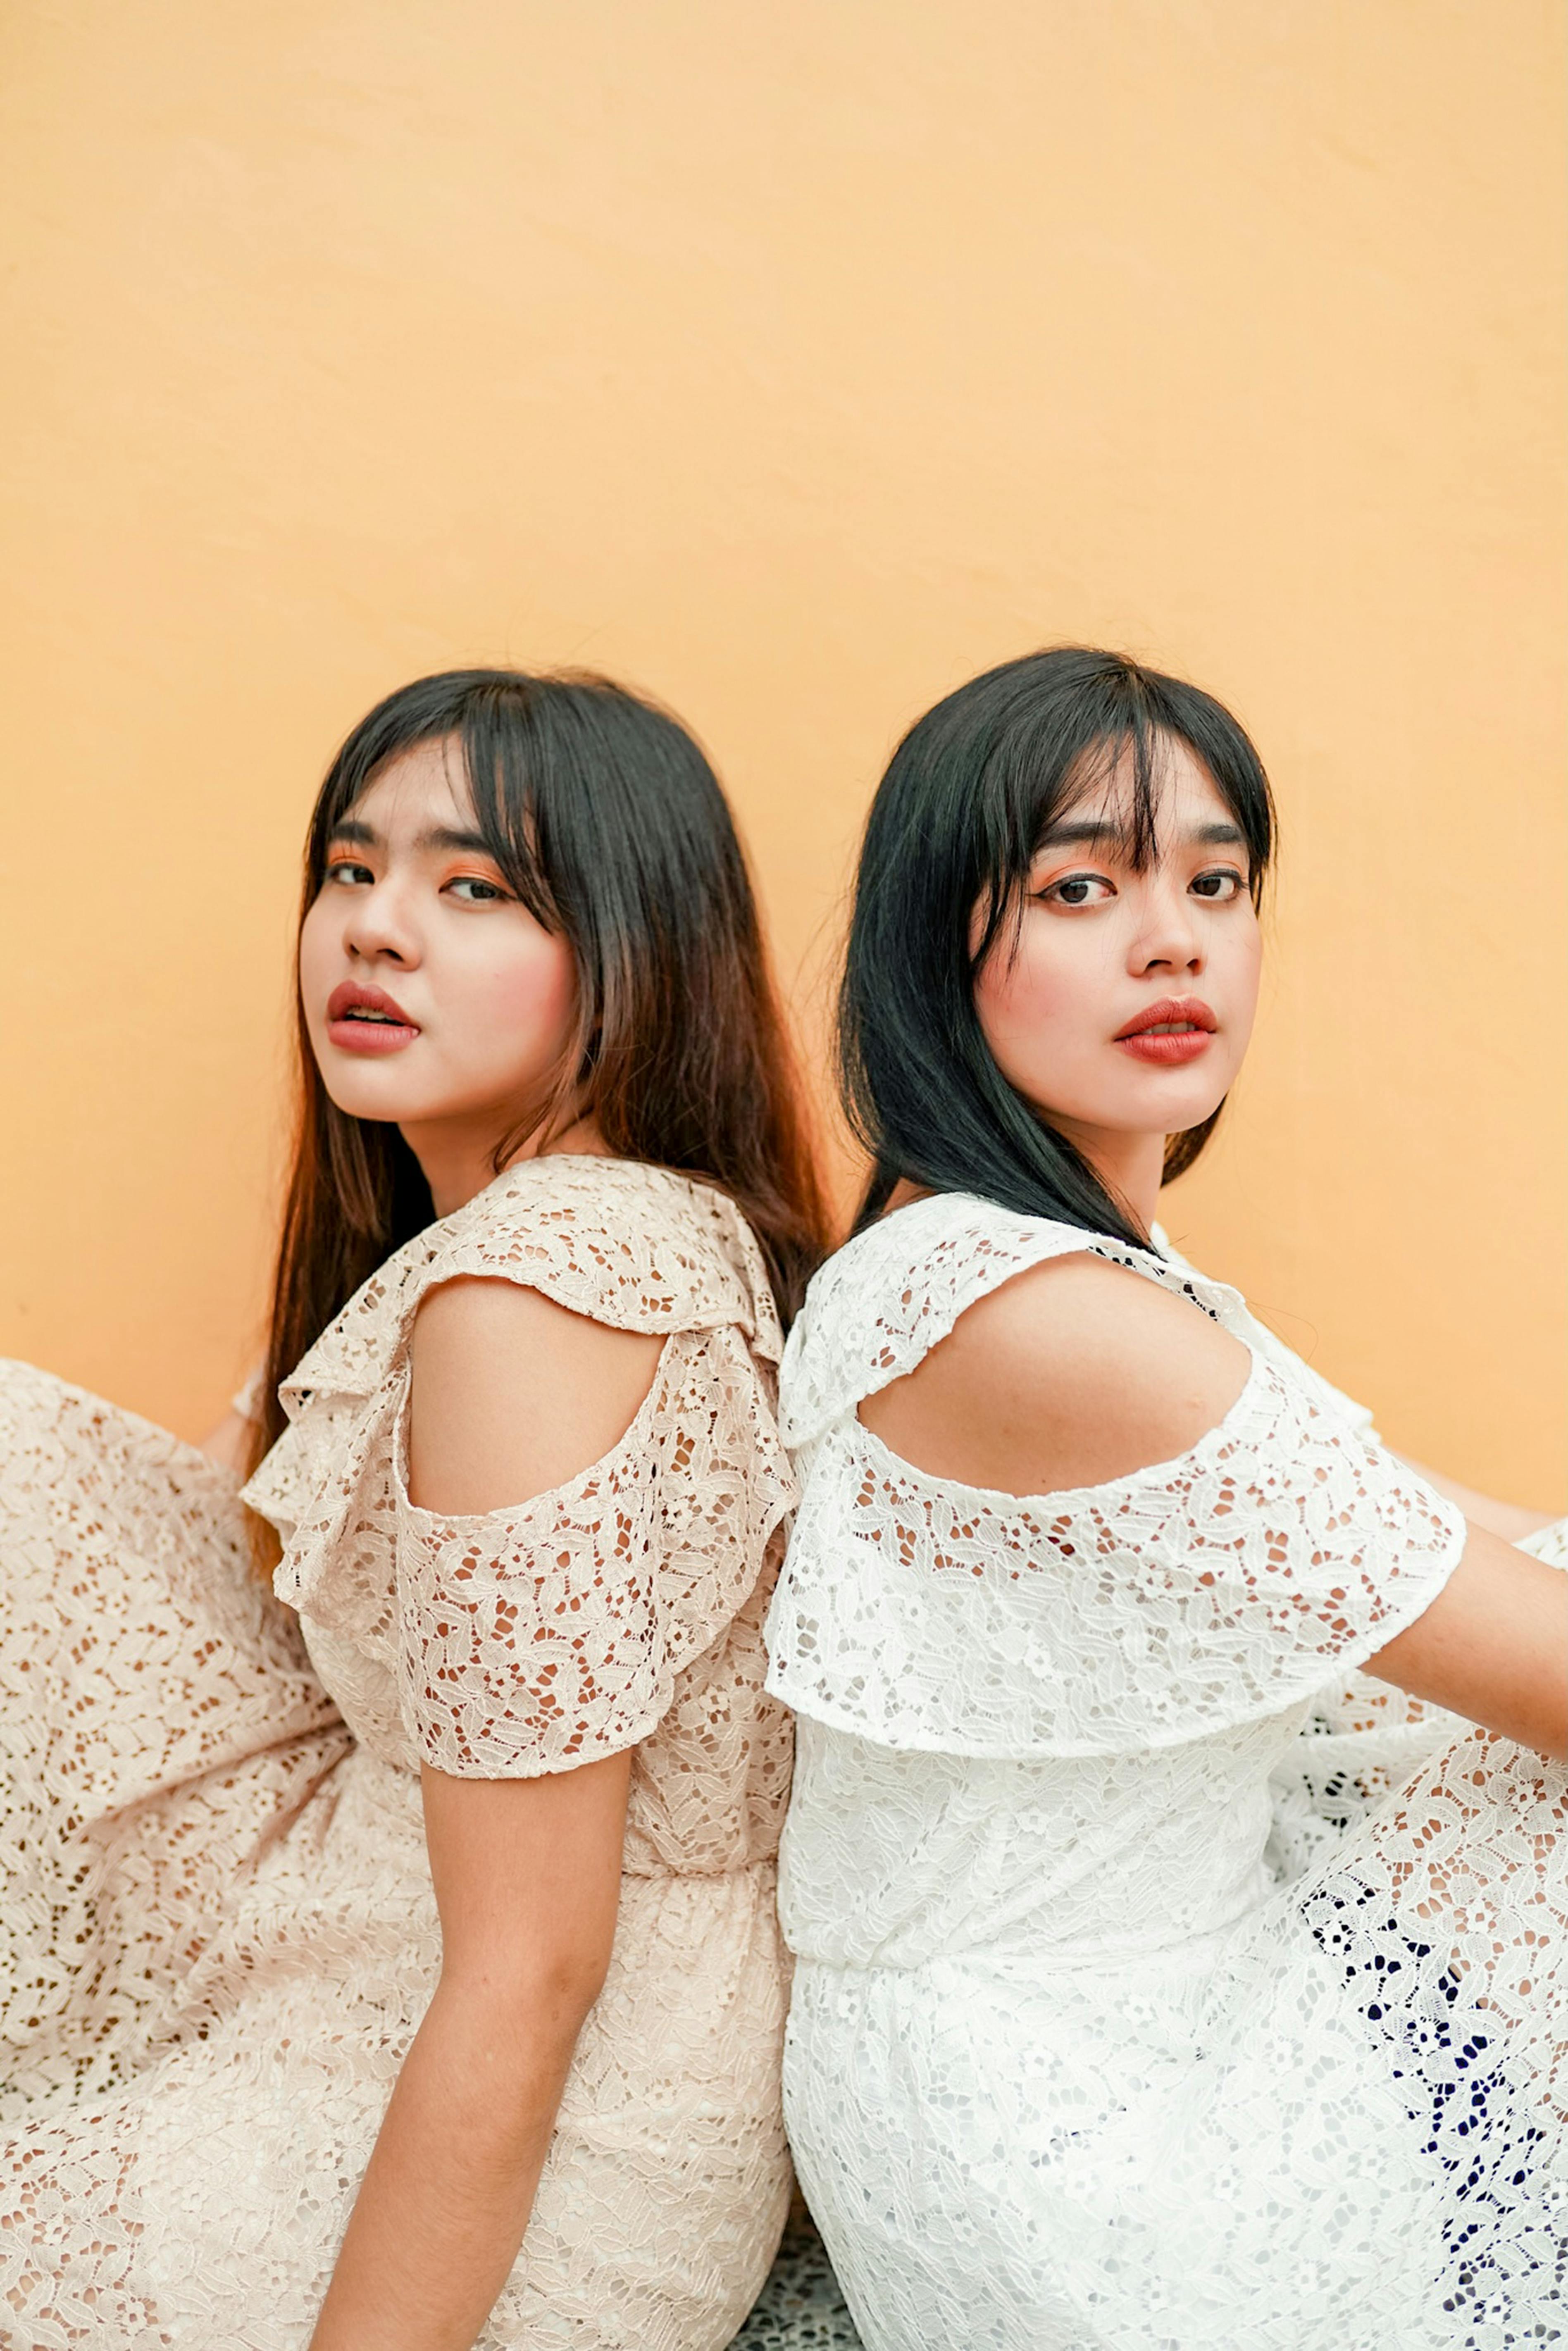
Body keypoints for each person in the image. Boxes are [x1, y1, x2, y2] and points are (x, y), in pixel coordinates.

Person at [2, 667, 829, 2349]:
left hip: (536, 2125)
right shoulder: (558, 1246)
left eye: (474, 889)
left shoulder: (536, 1293)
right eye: (350, 867)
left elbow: (531, 1970)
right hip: (385, 1999)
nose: (375, 931)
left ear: (635, 955)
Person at [764, 646, 1567, 2351]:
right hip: (1086, 2139)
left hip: (1143, 2028)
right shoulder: (1030, 1314)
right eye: (1080, 885)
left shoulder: (1085, 1278)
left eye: (1215, 880)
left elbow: (1468, 1538)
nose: (1173, 939)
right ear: (936, 941)